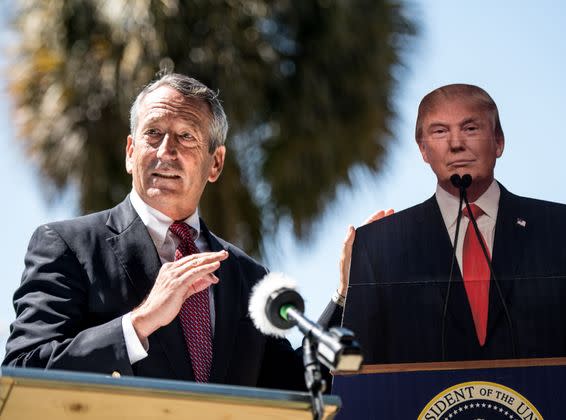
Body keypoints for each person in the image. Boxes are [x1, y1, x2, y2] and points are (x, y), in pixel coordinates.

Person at [3, 73, 344, 390]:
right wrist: (138, 323)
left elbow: (296, 389)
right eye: (153, 133)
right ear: (130, 152)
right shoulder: (67, 246)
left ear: (215, 164)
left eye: (186, 136)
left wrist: (345, 296)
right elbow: (24, 372)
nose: (166, 150)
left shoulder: (248, 277)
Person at [339, 84, 566, 364]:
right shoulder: (379, 245)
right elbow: (354, 368)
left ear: (498, 141)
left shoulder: (562, 229)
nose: (456, 143)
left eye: (470, 128)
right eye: (440, 131)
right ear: (423, 150)